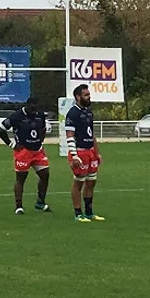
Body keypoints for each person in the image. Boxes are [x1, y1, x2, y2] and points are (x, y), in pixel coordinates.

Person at [0, 96, 52, 214]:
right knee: (21, 178)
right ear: (27, 105)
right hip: (23, 152)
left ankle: (40, 202)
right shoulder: (17, 116)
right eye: (32, 109)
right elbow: (1, 129)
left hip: (37, 150)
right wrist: (12, 145)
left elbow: (43, 128)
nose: (34, 111)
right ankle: (19, 206)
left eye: (36, 109)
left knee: (45, 174)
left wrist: (40, 141)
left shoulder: (40, 115)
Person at [64, 83, 104, 222]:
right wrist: (74, 156)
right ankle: (78, 213)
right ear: (78, 96)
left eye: (89, 94)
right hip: (79, 152)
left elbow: (92, 134)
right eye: (86, 95)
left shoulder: (88, 112)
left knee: (92, 181)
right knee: (79, 182)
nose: (89, 97)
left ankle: (89, 212)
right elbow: (69, 135)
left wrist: (97, 152)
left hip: (90, 152)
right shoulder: (72, 113)